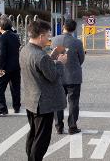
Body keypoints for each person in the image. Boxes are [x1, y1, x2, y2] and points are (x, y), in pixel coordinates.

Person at [19, 20, 67, 161]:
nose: (49, 38)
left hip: (31, 99)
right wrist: (60, 63)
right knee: (42, 139)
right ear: (40, 36)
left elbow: (39, 70)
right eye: (47, 35)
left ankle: (30, 157)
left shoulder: (25, 49)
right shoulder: (41, 56)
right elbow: (53, 76)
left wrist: (51, 60)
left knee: (33, 134)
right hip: (43, 103)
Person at [51, 19, 85, 134]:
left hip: (57, 76)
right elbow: (81, 59)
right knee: (73, 102)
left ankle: (58, 126)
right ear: (74, 29)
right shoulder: (77, 42)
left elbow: (51, 57)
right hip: (73, 76)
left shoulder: (54, 40)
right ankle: (72, 126)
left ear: (63, 26)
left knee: (58, 102)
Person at [0, 15, 21, 116]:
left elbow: (0, 54)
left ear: (0, 27)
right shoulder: (15, 36)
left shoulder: (1, 38)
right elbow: (14, 31)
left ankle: (2, 108)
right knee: (15, 87)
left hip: (4, 67)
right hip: (15, 66)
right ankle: (16, 106)